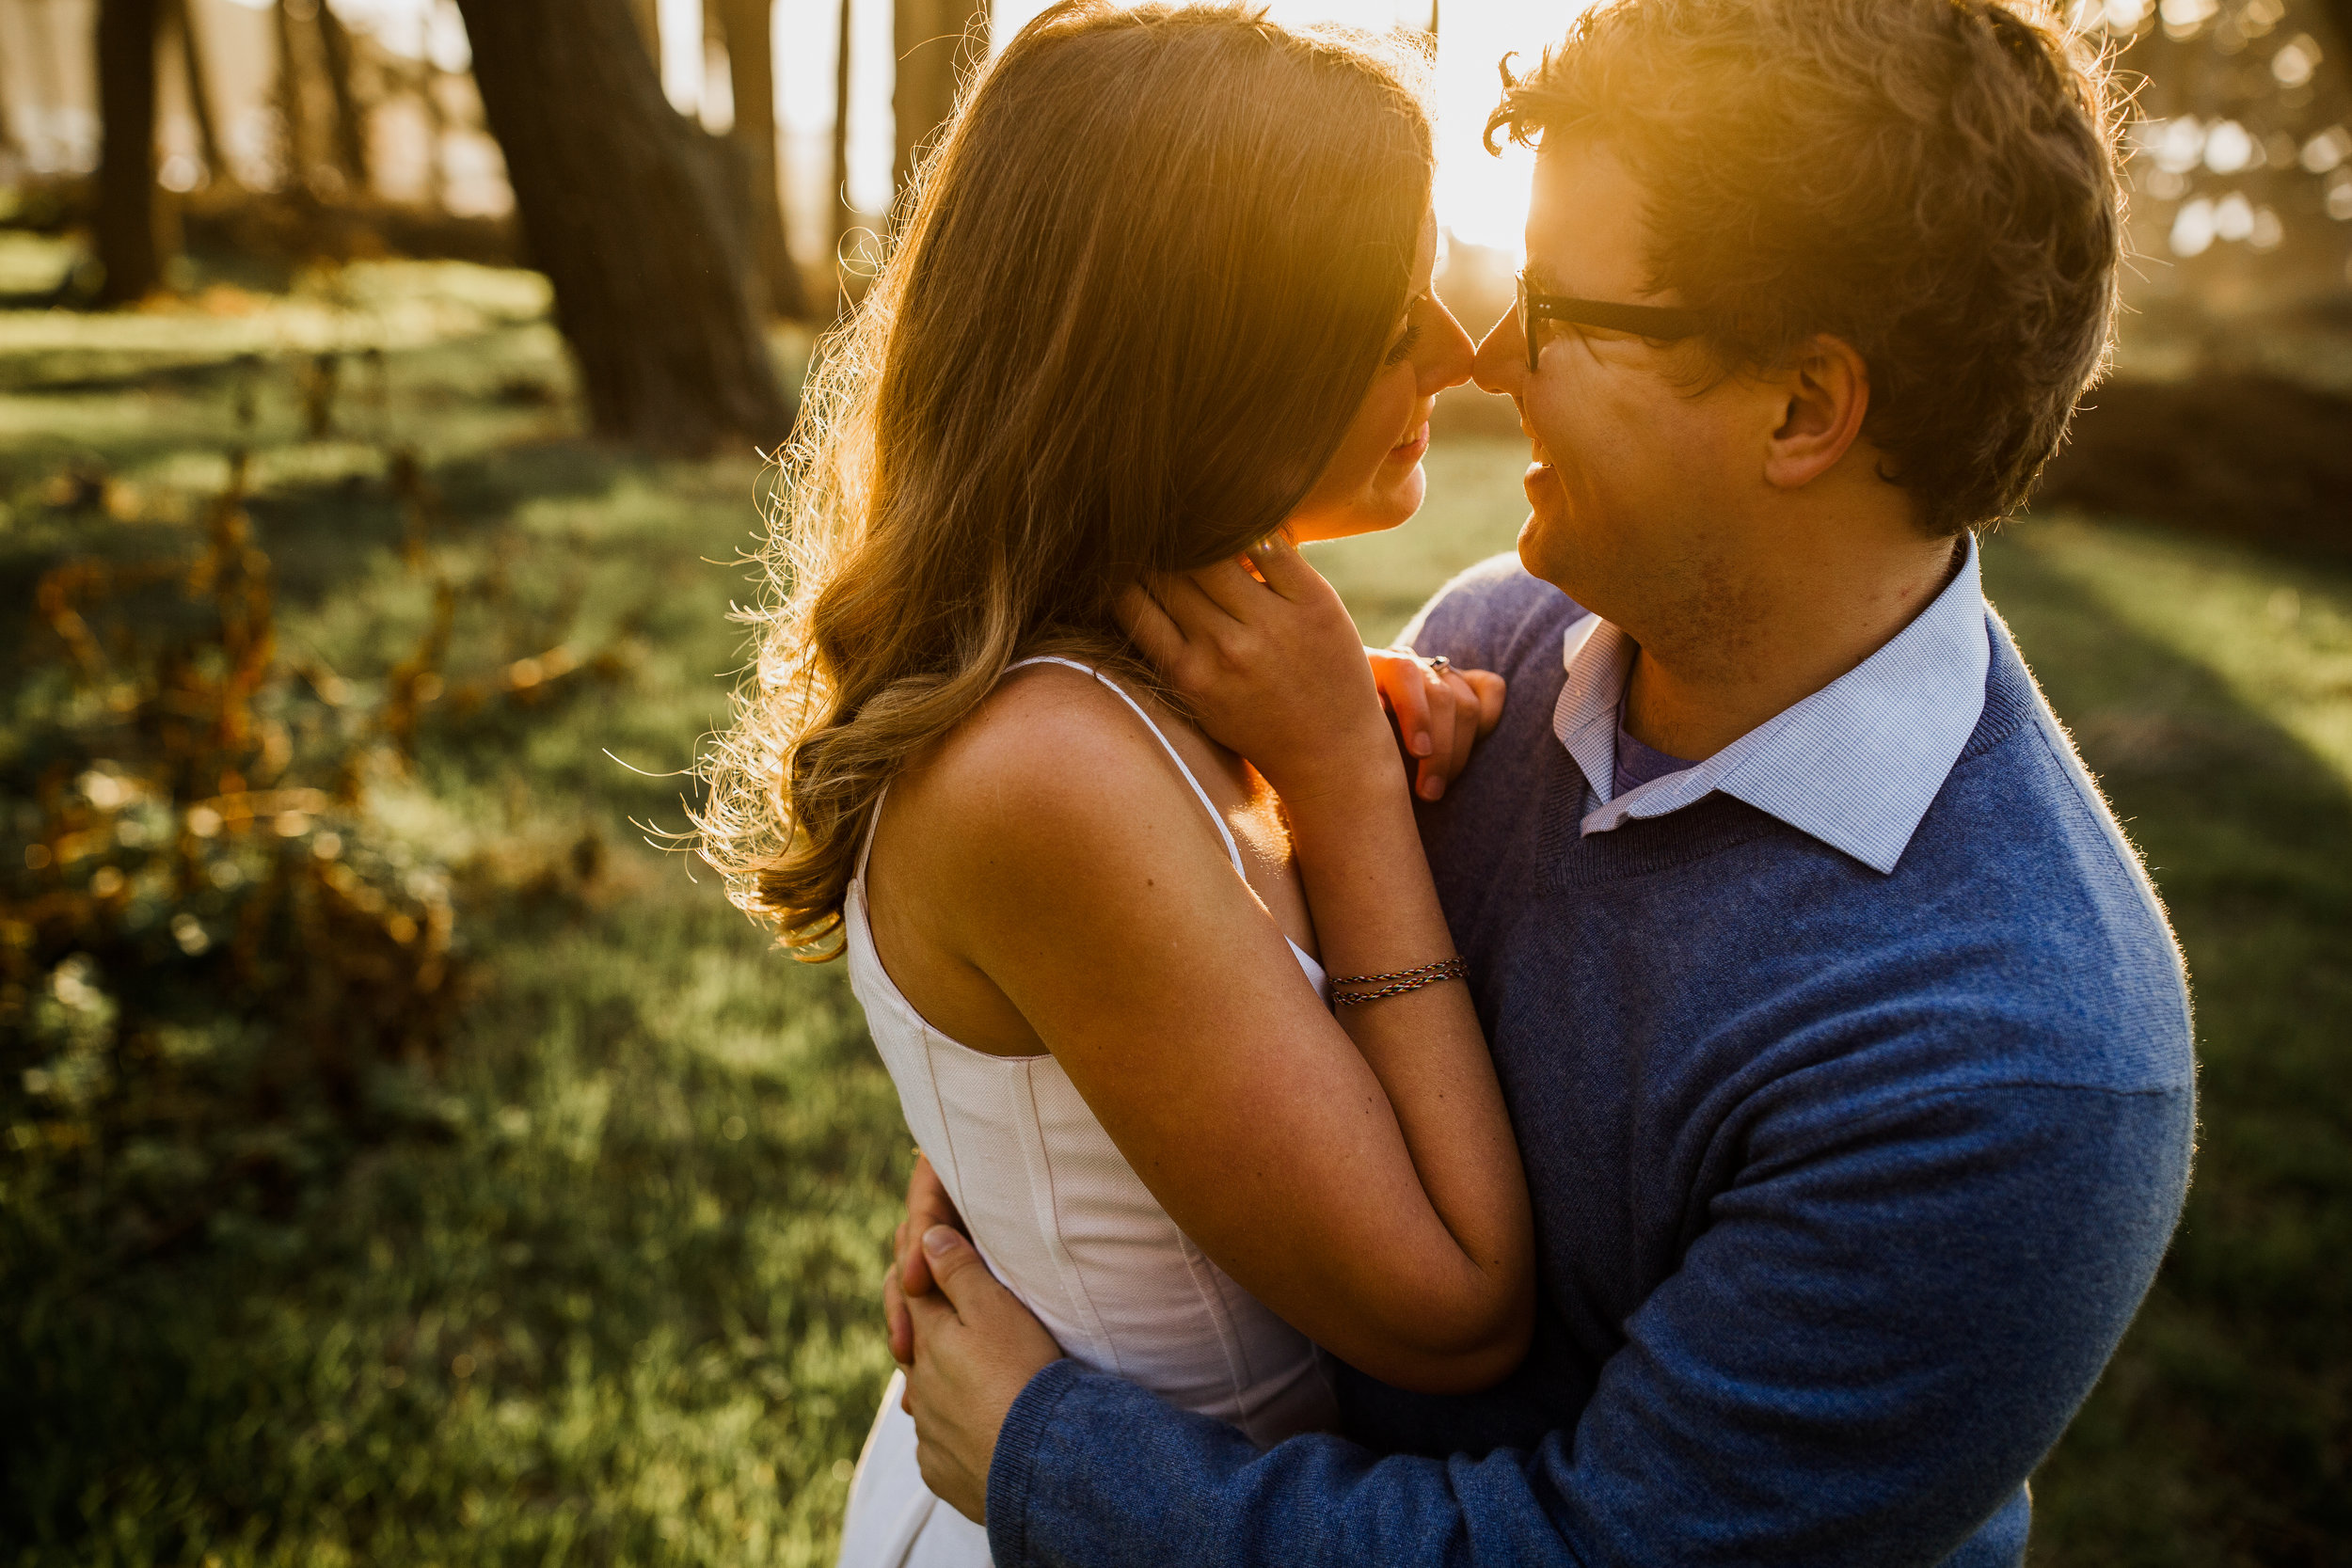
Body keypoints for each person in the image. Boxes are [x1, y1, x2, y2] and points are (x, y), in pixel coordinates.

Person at [882, 0, 2199, 1563]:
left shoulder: (2007, 1066)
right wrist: (1022, 1124)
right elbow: (1195, 973)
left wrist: (1055, 1459)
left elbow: (1584, 1552)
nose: (1490, 355)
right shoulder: (1501, 644)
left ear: (1802, 409)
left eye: (1566, 310)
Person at [695, 6, 1550, 1565]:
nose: (1461, 347)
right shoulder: (1049, 769)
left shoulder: (1150, 688)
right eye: (1382, 318)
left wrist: (1320, 752)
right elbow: (1458, 1307)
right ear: (1210, 354)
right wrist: (1350, 793)